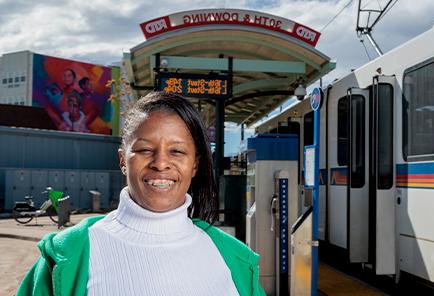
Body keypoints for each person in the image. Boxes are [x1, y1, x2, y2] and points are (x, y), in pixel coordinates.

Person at [17, 92, 266, 296]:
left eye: (177, 151)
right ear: (122, 160)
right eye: (145, 149)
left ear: (195, 165)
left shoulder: (235, 258)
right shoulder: (66, 255)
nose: (160, 163)